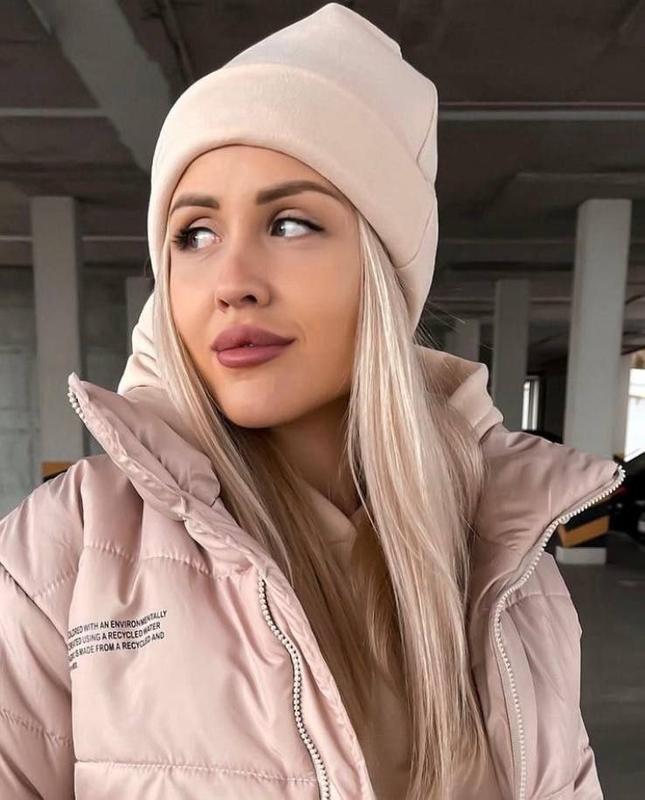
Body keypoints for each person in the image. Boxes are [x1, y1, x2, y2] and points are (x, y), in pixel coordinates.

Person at [0, 4, 622, 799]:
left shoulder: (508, 559)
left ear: (383, 270)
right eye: (194, 235)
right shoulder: (61, 553)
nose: (231, 282)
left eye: (290, 224)